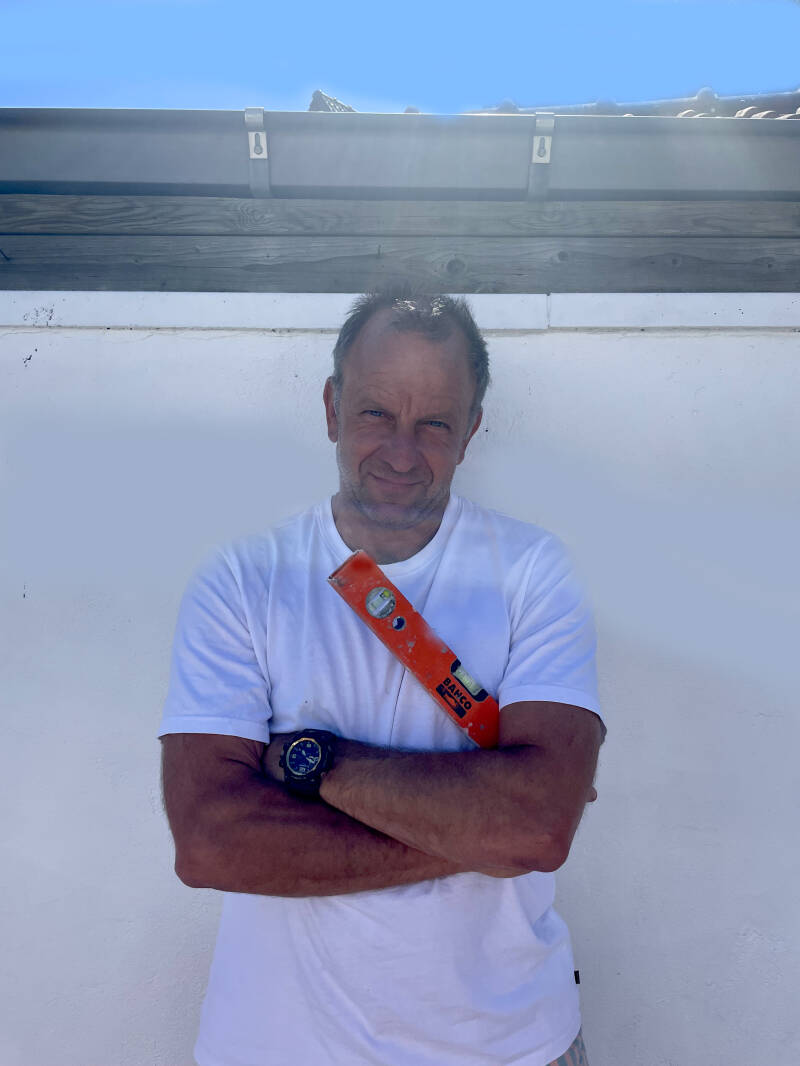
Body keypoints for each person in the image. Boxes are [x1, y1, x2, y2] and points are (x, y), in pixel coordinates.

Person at [160, 291, 604, 1066]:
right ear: (332, 408)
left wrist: (312, 763)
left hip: (507, 1049)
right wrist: (483, 832)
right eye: (375, 414)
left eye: (434, 423)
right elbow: (210, 843)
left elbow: (537, 827)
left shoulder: (535, 571)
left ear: (471, 429)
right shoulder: (242, 579)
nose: (402, 452)